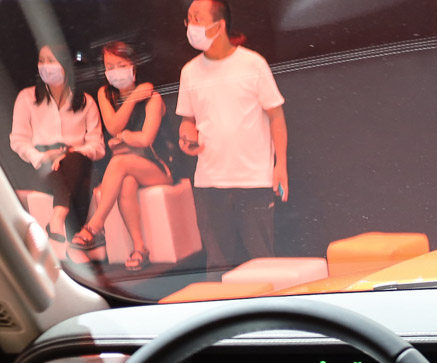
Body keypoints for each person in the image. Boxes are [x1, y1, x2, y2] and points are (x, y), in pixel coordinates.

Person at [176, 0, 288, 273]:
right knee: (218, 266)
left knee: (262, 261)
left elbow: (276, 116)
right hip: (209, 181)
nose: (191, 26)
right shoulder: (189, 71)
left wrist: (281, 165)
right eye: (188, 19)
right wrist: (187, 136)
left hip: (253, 179)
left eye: (197, 18)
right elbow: (187, 121)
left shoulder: (252, 63)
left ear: (220, 25)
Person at [69, 42, 174, 271]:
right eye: (109, 66)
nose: (115, 71)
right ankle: (140, 248)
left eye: (120, 65)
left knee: (119, 161)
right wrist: (133, 98)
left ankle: (94, 226)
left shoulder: (153, 97)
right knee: (126, 183)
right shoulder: (105, 93)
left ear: (133, 65)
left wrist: (125, 137)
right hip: (128, 168)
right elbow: (113, 126)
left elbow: (145, 139)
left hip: (158, 167)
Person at [8, 45, 104, 244]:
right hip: (40, 165)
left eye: (51, 61)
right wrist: (44, 157)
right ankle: (78, 235)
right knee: (78, 181)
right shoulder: (27, 97)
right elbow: (18, 140)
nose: (45, 66)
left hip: (77, 161)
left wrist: (70, 153)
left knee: (76, 162)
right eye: (41, 61)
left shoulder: (86, 101)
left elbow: (97, 146)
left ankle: (58, 218)